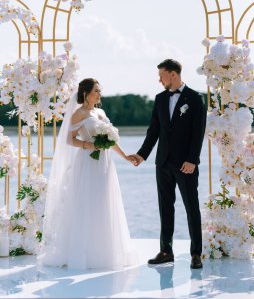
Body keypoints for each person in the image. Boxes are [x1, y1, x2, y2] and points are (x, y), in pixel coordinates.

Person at [38, 78, 137, 270]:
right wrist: (88, 145)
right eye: (96, 91)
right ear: (85, 94)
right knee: (87, 202)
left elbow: (111, 139)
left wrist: (125, 156)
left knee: (105, 201)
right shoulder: (79, 113)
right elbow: (69, 139)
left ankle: (105, 250)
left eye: (100, 91)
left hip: (105, 163)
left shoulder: (100, 112)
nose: (99, 94)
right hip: (88, 162)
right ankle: (84, 251)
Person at [129, 59, 206, 269]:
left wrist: (192, 160)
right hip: (162, 163)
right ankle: (166, 251)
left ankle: (196, 254)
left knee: (192, 207)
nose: (159, 79)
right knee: (165, 208)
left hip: (185, 164)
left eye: (161, 75)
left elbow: (198, 133)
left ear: (173, 74)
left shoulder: (195, 99)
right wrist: (142, 155)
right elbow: (154, 131)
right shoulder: (160, 99)